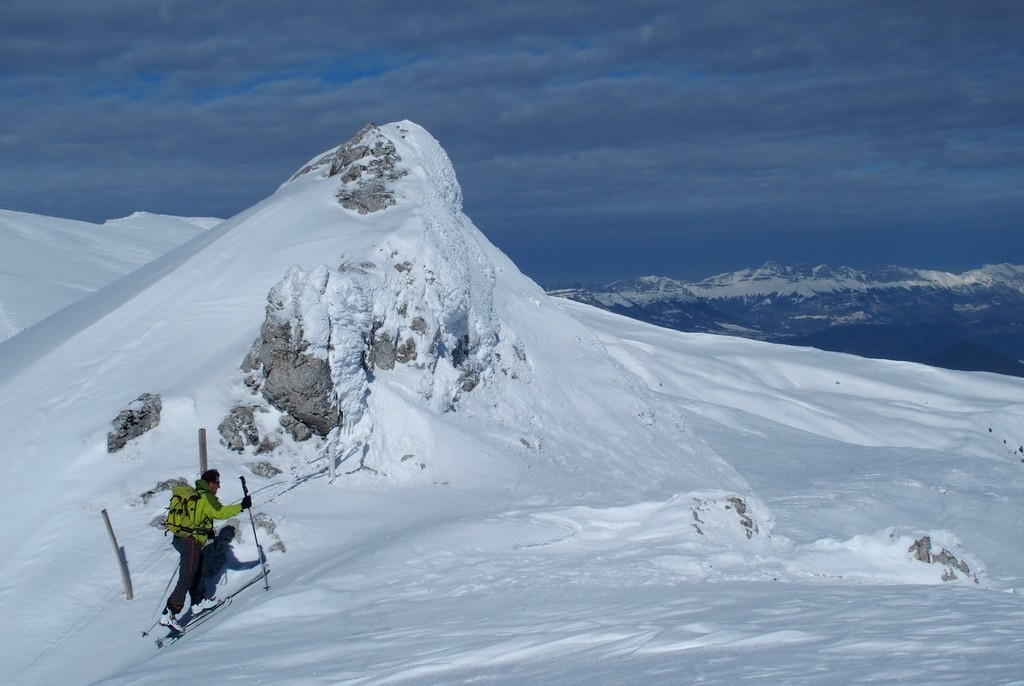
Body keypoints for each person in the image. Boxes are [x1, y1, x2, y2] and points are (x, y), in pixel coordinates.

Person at [160, 469, 252, 631]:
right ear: (210, 483)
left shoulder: (197, 494)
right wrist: (242, 506)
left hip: (182, 539)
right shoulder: (206, 496)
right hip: (191, 543)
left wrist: (206, 529)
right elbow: (219, 512)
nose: (219, 486)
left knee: (197, 570)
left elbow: (200, 516)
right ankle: (169, 613)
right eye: (217, 482)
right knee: (186, 577)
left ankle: (198, 602)